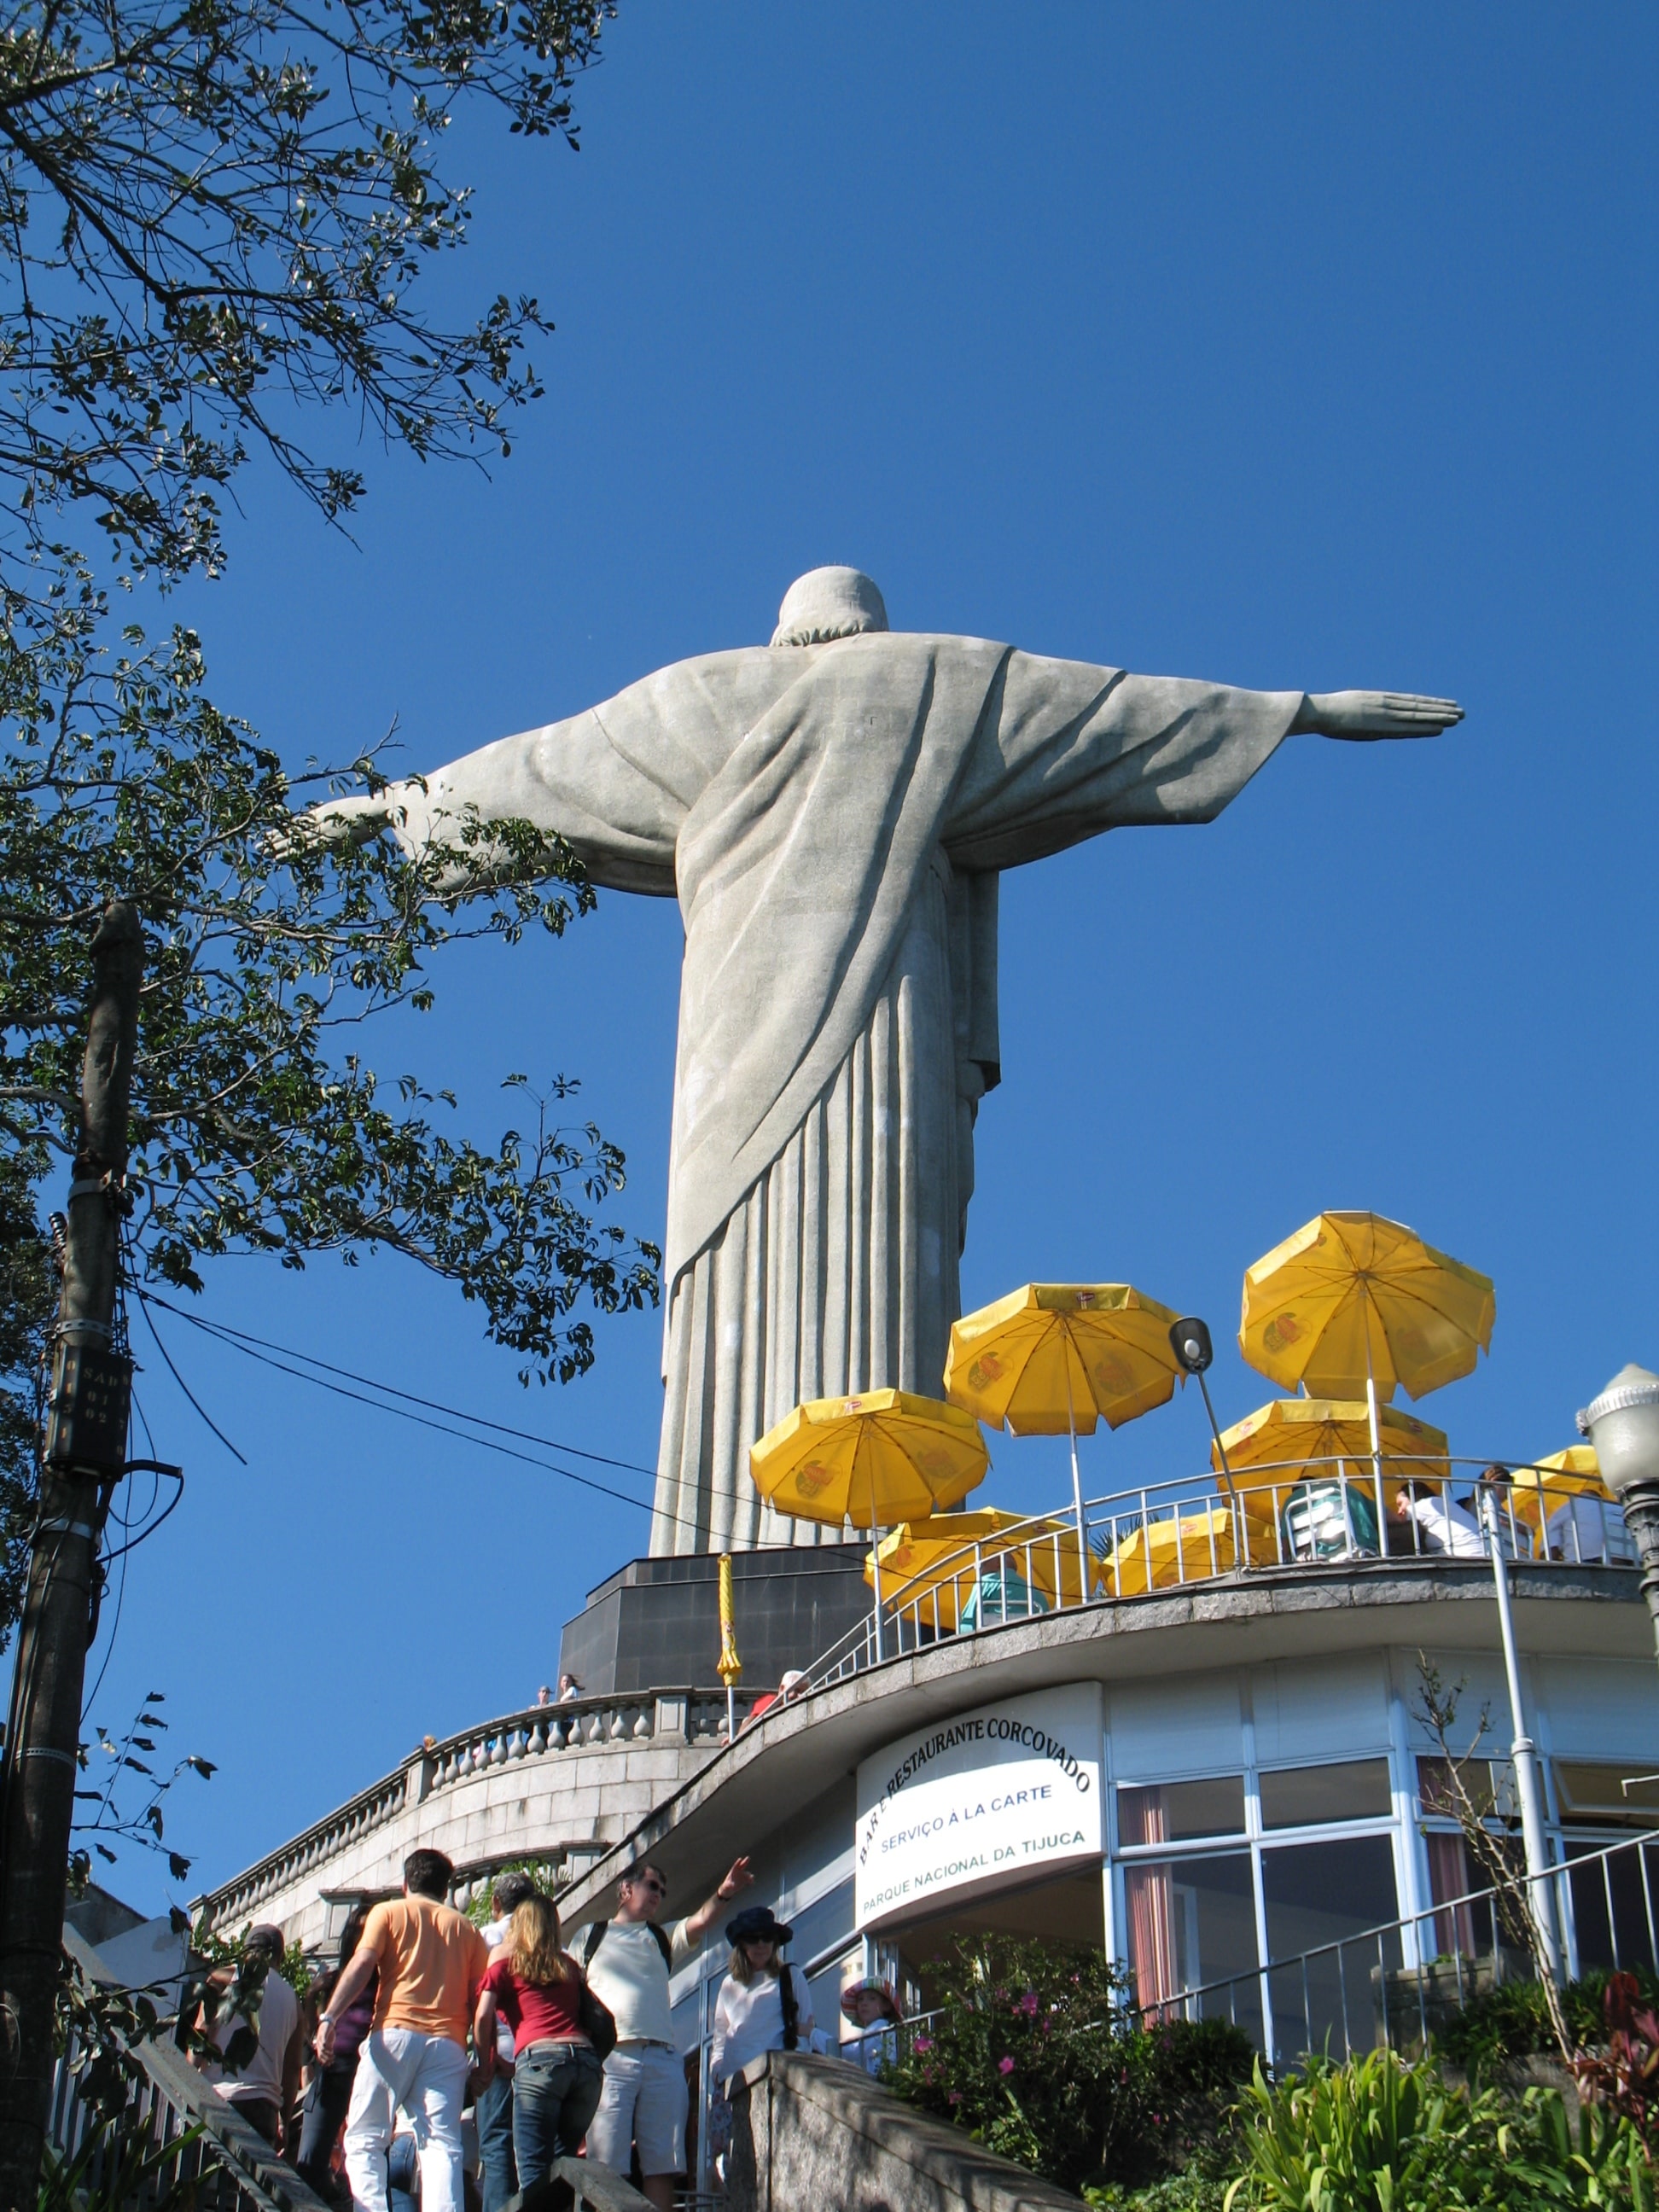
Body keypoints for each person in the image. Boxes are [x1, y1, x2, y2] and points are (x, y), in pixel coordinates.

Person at [311, 566, 1459, 1561]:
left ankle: (727, 1524)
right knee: (882, 1241)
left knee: (730, 1270)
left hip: (728, 1052)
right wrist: (1297, 710)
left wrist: (388, 808)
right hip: (884, 1032)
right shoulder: (939, 681)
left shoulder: (695, 699)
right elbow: (1117, 715)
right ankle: (870, 1515)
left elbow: (538, 774)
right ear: (871, 626)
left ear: (786, 634)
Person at [316, 1847, 492, 2212]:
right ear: (447, 1890)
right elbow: (480, 2001)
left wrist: (330, 2017)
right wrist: (484, 2058)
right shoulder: (469, 1931)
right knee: (442, 2145)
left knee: (365, 2136)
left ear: (405, 1883)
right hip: (448, 2046)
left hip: (394, 2032)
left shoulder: (388, 1912)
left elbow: (363, 1962)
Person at [577, 1854, 754, 2212]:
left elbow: (701, 1922)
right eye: (652, 1885)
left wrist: (723, 1894)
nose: (659, 1894)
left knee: (663, 2165)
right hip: (613, 2059)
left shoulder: (660, 1937)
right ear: (626, 1889)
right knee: (605, 2166)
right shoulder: (591, 1935)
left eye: (662, 1889)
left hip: (662, 2059)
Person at [474, 1893, 602, 2188]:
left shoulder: (506, 1965)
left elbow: (482, 2016)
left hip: (540, 2064)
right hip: (586, 2067)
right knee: (562, 2168)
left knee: (533, 2173)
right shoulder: (569, 1967)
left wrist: (487, 2063)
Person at [194, 1924, 305, 2154]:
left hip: (219, 2099)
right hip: (264, 2110)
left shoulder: (222, 1978)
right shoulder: (293, 2001)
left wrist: (185, 2081)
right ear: (279, 1958)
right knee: (245, 2188)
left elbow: (201, 2034)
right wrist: (284, 2121)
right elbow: (293, 2069)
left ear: (244, 1952)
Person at [295, 1903, 377, 2197]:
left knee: (361, 2156)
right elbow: (311, 1998)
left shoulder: (385, 1979)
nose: (364, 1935)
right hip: (333, 2070)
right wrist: (313, 2040)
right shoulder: (336, 1978)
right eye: (359, 1929)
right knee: (310, 2160)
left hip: (369, 2071)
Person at [476, 1871, 539, 2212]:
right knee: (533, 2147)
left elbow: (477, 2004)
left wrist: (483, 2060)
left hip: (498, 2055)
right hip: (538, 2057)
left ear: (496, 1904)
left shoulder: (487, 1938)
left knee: (497, 2141)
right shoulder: (548, 1941)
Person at [1394, 1479, 1486, 1559]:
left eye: (1400, 1504)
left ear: (1413, 1496)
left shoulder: (1422, 1506)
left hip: (1466, 1557)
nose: (1399, 1511)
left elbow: (1397, 1526)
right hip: (1483, 1555)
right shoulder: (1443, 1505)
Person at [839, 1977, 902, 2075]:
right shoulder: (879, 2027)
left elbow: (855, 2051)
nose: (864, 2003)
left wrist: (817, 2036)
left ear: (886, 2006)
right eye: (860, 1999)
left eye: (872, 1998)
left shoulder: (880, 2025)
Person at [740, 1672, 806, 1731]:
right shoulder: (771, 1701)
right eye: (797, 1690)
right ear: (782, 1689)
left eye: (804, 1692)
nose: (800, 1696)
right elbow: (749, 1723)